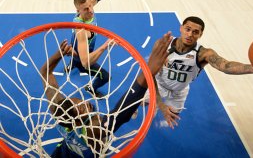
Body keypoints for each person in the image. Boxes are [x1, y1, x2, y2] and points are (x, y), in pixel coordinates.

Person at [40, 32, 173, 157]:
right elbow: (122, 111)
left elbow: (45, 72)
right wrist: (148, 71)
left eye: (79, 100)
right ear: (79, 119)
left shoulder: (58, 111)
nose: (85, 102)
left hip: (64, 152)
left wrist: (58, 55)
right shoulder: (94, 130)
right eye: (82, 107)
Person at [139, 16, 253, 129]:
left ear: (201, 34)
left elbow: (226, 66)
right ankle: (146, 105)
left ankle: (158, 108)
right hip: (158, 85)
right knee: (141, 102)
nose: (190, 34)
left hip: (179, 91)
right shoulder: (163, 45)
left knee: (174, 114)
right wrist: (160, 104)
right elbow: (151, 74)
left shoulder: (203, 53)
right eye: (188, 29)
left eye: (195, 32)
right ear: (181, 28)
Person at [66, 0, 116, 97]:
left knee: (74, 52)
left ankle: (71, 64)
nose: (91, 10)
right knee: (106, 76)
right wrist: (105, 46)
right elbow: (85, 62)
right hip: (82, 59)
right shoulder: (82, 30)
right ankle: (91, 88)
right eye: (86, 9)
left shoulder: (87, 8)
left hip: (76, 48)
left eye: (90, 6)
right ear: (78, 11)